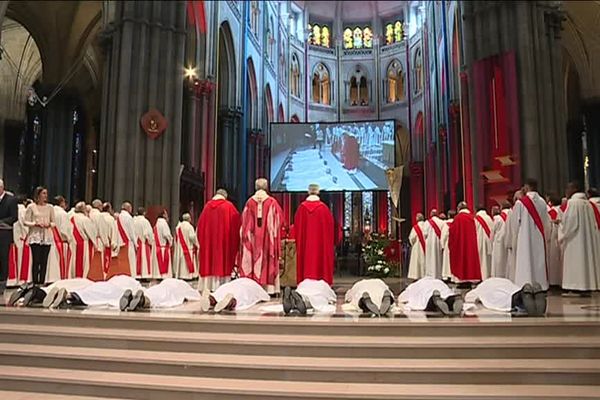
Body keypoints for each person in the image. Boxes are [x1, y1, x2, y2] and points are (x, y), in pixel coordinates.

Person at [506, 179, 551, 290]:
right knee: (538, 260)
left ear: (526, 187)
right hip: (539, 237)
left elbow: (515, 224)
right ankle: (541, 285)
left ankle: (525, 285)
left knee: (526, 260)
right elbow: (546, 221)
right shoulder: (542, 202)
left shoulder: (520, 203)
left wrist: (515, 238)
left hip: (524, 238)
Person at [240, 178, 283, 294]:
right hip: (267, 240)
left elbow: (244, 222)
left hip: (253, 239)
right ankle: (269, 289)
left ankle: (252, 286)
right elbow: (279, 221)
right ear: (266, 187)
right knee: (267, 258)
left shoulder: (249, 202)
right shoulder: (272, 202)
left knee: (252, 256)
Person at [197, 189, 241, 292]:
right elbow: (236, 227)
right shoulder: (229, 207)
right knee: (221, 261)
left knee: (209, 260)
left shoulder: (207, 207)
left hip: (209, 245)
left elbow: (199, 229)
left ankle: (207, 287)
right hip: (223, 245)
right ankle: (222, 287)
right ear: (225, 196)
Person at [559, 182, 599, 295]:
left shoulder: (573, 203)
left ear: (575, 189)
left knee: (576, 262)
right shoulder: (587, 203)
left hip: (574, 240)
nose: (566, 190)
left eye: (568, 188)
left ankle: (575, 287)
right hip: (586, 240)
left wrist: (562, 231)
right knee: (586, 261)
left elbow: (570, 223)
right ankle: (586, 286)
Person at [294, 183, 334, 285]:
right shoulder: (324, 209)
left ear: (308, 191)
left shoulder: (301, 208)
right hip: (320, 246)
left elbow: (296, 229)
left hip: (306, 246)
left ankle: (304, 282)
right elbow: (330, 230)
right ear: (318, 192)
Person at [23, 186, 55, 286]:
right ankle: (35, 282)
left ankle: (41, 282)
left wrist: (48, 224)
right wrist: (35, 224)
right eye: (43, 193)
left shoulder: (50, 207)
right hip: (35, 235)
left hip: (46, 235)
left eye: (46, 193)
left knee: (44, 261)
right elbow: (25, 221)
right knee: (36, 260)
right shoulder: (31, 207)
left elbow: (54, 222)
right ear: (38, 195)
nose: (45, 196)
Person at [465, 277, 546, 316]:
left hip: (503, 297)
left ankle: (525, 294)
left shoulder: (479, 289)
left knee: (514, 300)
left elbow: (468, 297)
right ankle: (530, 293)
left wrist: (478, 299)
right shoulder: (495, 279)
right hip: (512, 288)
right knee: (516, 294)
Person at [448, 202, 481, 284]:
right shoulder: (473, 217)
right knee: (471, 259)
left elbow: (452, 233)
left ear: (459, 208)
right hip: (472, 245)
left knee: (461, 260)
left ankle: (461, 279)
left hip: (460, 246)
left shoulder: (457, 219)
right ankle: (472, 278)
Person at [121, 278, 201, 311]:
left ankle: (132, 298)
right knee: (159, 299)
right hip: (169, 290)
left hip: (159, 287)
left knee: (152, 293)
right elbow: (195, 296)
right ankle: (142, 301)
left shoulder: (166, 281)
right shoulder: (184, 286)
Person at [398, 276, 463, 316]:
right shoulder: (438, 281)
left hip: (429, 296)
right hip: (444, 291)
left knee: (430, 301)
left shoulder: (414, 285)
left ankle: (435, 299)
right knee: (447, 297)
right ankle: (454, 299)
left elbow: (401, 298)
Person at [200, 277, 270, 313]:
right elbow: (265, 296)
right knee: (241, 297)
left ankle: (211, 299)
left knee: (219, 293)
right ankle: (230, 302)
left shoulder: (237, 282)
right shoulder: (254, 286)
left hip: (230, 286)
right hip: (244, 288)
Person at [0, 179, 18, 294]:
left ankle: (2, 283)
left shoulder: (11, 200)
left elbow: (14, 217)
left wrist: (1, 222)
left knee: (3, 258)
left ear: (2, 188)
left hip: (4, 234)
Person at [70, 202, 95, 280]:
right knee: (84, 264)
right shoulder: (85, 219)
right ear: (83, 209)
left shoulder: (70, 217)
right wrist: (95, 243)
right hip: (83, 243)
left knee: (73, 262)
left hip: (73, 242)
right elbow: (91, 232)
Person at [9, 197, 30, 286]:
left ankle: (11, 281)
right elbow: (25, 225)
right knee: (20, 261)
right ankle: (21, 281)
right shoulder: (22, 210)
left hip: (11, 238)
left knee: (11, 260)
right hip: (21, 239)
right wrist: (26, 235)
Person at [113, 202, 137, 278]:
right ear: (128, 208)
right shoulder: (128, 217)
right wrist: (136, 244)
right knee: (130, 263)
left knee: (121, 263)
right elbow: (132, 231)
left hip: (120, 242)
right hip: (128, 243)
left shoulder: (118, 217)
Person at [173, 213, 199, 280]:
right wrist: (197, 243)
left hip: (180, 248)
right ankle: (188, 276)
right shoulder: (189, 227)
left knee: (181, 263)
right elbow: (192, 237)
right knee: (187, 263)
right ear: (189, 219)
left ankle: (181, 275)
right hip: (188, 247)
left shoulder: (178, 227)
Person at [546, 195, 564, 286]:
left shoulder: (551, 211)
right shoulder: (562, 209)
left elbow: (548, 225)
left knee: (553, 259)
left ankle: (553, 282)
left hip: (553, 236)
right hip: (561, 235)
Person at [132, 207, 154, 279]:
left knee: (136, 259)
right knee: (144, 259)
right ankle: (144, 275)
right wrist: (151, 241)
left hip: (135, 242)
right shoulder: (145, 221)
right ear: (144, 213)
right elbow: (148, 233)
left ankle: (136, 274)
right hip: (143, 243)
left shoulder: (133, 220)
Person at [491, 202, 510, 278]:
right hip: (509, 239)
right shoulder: (511, 214)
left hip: (499, 241)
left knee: (499, 260)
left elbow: (493, 231)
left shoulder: (498, 218)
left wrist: (491, 242)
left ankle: (499, 276)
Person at [152, 209, 173, 280]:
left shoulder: (157, 223)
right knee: (164, 265)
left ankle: (159, 276)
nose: (167, 215)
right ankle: (163, 276)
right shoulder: (163, 223)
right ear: (163, 215)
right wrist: (170, 241)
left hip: (158, 246)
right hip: (163, 246)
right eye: (166, 214)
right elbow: (166, 234)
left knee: (158, 266)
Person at [474, 206, 494, 280]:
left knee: (481, 259)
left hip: (479, 240)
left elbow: (474, 230)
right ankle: (488, 275)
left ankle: (482, 276)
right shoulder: (489, 218)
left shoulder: (476, 219)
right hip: (488, 240)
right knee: (488, 259)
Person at [423, 209, 443, 278]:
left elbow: (424, 234)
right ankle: (438, 274)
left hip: (429, 243)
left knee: (430, 258)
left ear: (431, 214)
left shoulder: (427, 223)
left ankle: (430, 274)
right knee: (438, 258)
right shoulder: (441, 222)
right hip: (438, 242)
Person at [407, 213, 426, 280]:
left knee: (417, 261)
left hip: (417, 247)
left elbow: (412, 238)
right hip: (425, 247)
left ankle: (417, 276)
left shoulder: (415, 228)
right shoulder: (427, 225)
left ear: (417, 219)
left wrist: (412, 244)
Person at [440, 209, 456, 280]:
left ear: (448, 216)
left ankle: (447, 275)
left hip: (448, 244)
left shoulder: (446, 224)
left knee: (447, 260)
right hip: (455, 244)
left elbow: (444, 235)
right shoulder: (456, 223)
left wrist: (442, 245)